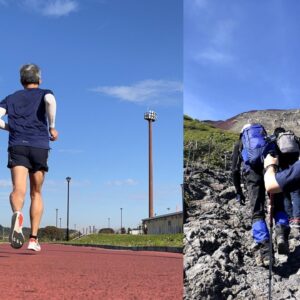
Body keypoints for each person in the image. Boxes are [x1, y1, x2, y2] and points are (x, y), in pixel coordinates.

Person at [0, 64, 58, 251]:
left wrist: (10, 128)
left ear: (21, 80)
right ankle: (33, 239)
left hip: (17, 145)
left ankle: (17, 213)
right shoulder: (44, 92)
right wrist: (52, 126)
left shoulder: (11, 98)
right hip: (39, 145)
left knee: (18, 188)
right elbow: (50, 101)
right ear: (39, 80)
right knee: (37, 193)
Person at [232, 123, 290, 267]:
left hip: (251, 175)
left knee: (257, 213)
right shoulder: (266, 139)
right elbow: (279, 157)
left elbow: (234, 170)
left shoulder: (240, 143)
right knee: (279, 207)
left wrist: (239, 191)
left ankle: (265, 252)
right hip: (270, 170)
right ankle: (281, 231)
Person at [273, 127, 300, 229]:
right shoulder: (292, 138)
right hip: (295, 168)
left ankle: (289, 218)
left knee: (285, 194)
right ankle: (297, 218)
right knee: (296, 193)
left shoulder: (276, 141)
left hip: (283, 170)